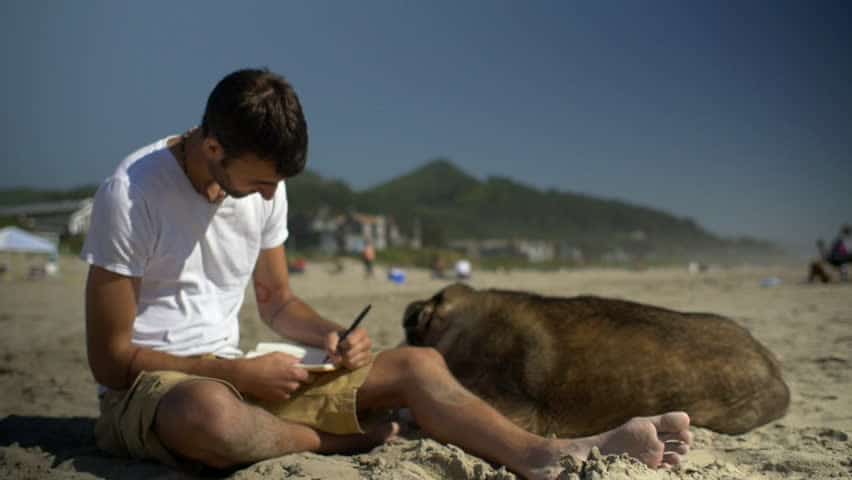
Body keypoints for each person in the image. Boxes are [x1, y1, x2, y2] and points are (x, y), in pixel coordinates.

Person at [82, 68, 691, 479]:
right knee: (209, 417)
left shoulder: (267, 191)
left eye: (278, 183)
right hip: (158, 391)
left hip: (242, 370)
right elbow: (111, 362)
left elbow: (276, 300)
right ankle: (348, 439)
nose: (270, 195)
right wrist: (234, 371)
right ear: (213, 147)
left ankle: (545, 456)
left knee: (419, 364)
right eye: (262, 180)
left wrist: (328, 336)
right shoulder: (131, 193)